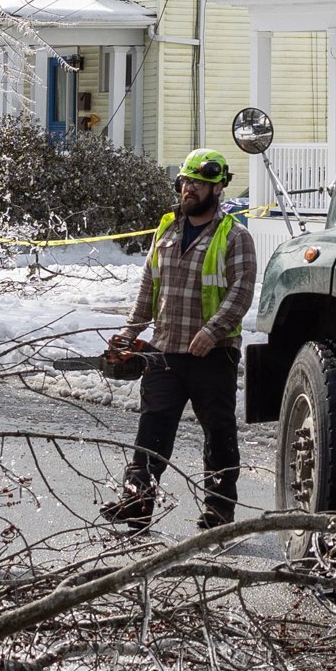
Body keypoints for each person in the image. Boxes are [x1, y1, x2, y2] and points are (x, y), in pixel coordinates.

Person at [101, 149, 255, 531]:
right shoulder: (167, 229)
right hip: (164, 350)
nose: (189, 189)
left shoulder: (235, 236)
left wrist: (212, 331)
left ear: (217, 188)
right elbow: (148, 286)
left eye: (198, 183)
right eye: (185, 182)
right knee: (152, 428)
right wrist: (129, 333)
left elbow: (242, 291)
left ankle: (219, 510)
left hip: (212, 354)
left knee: (218, 433)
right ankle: (137, 501)